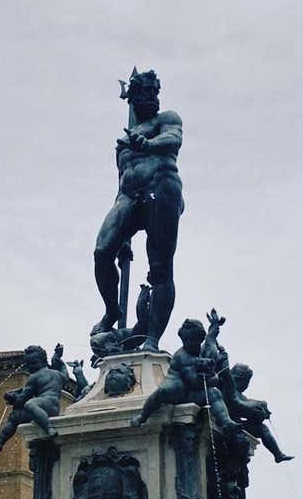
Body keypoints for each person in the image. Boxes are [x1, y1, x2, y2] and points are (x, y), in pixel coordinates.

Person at [92, 69, 184, 352]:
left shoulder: (167, 119)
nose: (152, 98)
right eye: (144, 93)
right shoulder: (124, 139)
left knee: (159, 269)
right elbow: (122, 180)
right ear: (132, 98)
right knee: (102, 251)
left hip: (162, 188)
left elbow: (173, 140)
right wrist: (124, 236)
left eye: (154, 93)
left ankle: (152, 339)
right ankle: (112, 312)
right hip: (128, 197)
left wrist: (149, 144)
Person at [130, 318, 238, 436]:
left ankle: (226, 421)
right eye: (184, 340)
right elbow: (195, 382)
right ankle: (143, 415)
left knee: (215, 393)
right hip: (177, 390)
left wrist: (215, 325)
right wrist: (215, 379)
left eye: (191, 340)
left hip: (190, 394)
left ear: (200, 339)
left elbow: (211, 339)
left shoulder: (204, 351)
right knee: (162, 391)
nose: (187, 342)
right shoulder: (182, 356)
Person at [0, 345, 63, 451]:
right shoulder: (57, 374)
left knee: (27, 406)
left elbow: (22, 399)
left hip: (43, 406)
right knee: (14, 416)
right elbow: (65, 373)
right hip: (53, 407)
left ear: (41, 361)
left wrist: (12, 399)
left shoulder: (34, 377)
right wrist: (57, 357)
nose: (30, 367)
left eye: (32, 363)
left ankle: (49, 428)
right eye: (28, 364)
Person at [224, 363, 294, 463]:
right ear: (239, 378)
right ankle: (278, 455)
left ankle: (278, 454)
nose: (247, 385)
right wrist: (257, 406)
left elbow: (247, 405)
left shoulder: (240, 395)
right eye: (247, 381)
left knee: (263, 429)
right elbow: (238, 406)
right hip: (227, 424)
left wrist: (262, 410)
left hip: (237, 424)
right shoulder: (228, 388)